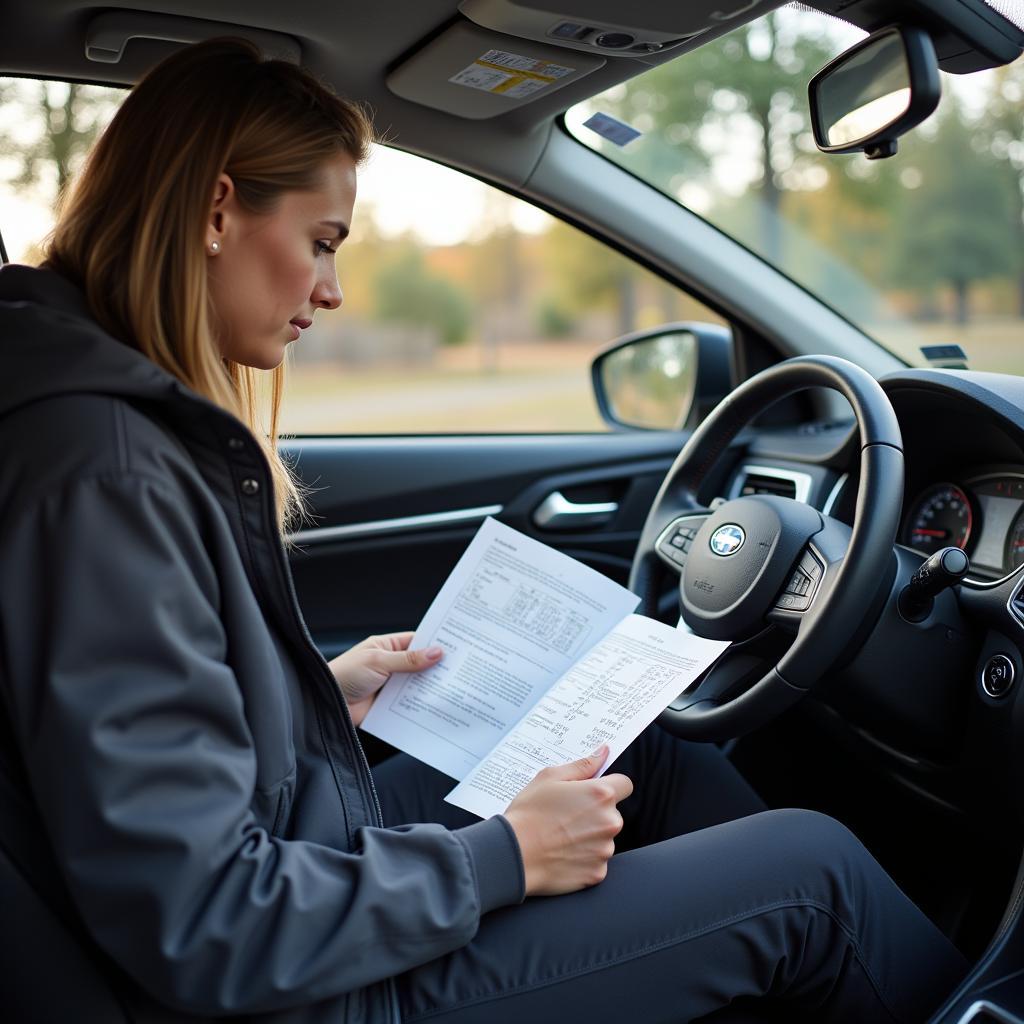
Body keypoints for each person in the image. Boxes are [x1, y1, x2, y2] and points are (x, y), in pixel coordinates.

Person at [0, 37, 967, 1024]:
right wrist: (504, 855)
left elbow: (136, 763)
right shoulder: (103, 470)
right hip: (289, 990)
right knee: (810, 878)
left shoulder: (98, 421)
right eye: (324, 240)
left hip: (294, 879)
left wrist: (315, 697)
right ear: (216, 211)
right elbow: (202, 921)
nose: (330, 291)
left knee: (640, 749)